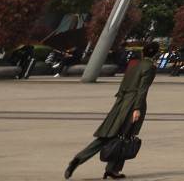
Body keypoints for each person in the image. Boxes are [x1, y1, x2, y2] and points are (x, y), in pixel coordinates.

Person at [64, 47, 155, 180]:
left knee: (107, 136)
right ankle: (112, 169)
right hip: (132, 104)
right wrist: (137, 108)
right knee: (124, 137)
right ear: (155, 54)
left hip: (121, 102)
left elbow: (124, 84)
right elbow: (142, 89)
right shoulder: (150, 67)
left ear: (143, 52)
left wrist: (120, 102)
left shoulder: (133, 64)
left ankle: (79, 159)